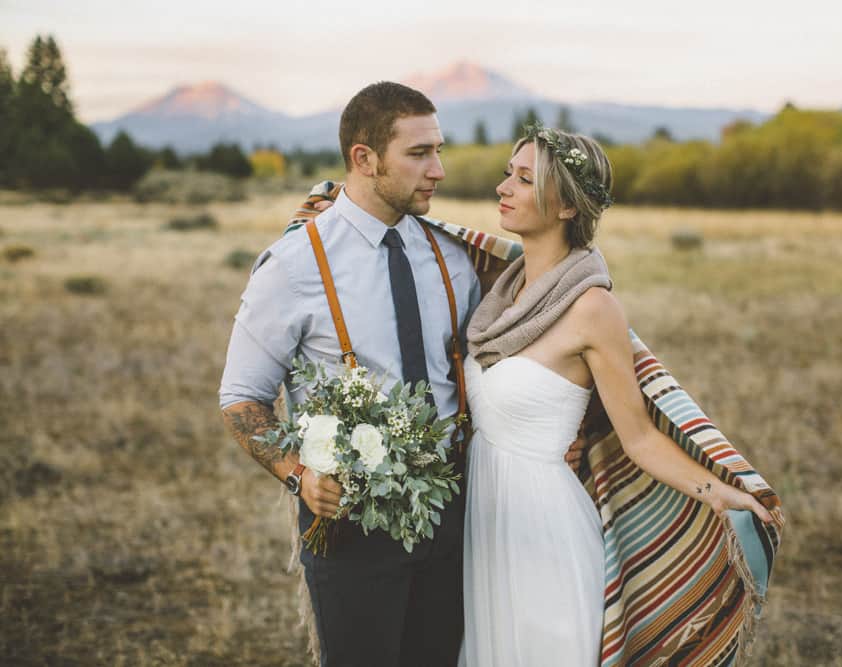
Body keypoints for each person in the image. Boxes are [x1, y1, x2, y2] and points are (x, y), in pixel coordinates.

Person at [218, 82, 582, 667]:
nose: (438, 169)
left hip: (456, 517)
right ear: (364, 159)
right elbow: (242, 399)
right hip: (351, 527)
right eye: (419, 154)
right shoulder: (291, 267)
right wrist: (299, 477)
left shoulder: (454, 256)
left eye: (438, 150)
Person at [457, 124, 776, 666]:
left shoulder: (592, 307)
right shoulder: (499, 289)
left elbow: (639, 436)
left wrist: (722, 492)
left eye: (524, 178)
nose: (502, 188)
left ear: (565, 206)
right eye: (508, 173)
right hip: (485, 525)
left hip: (544, 528)